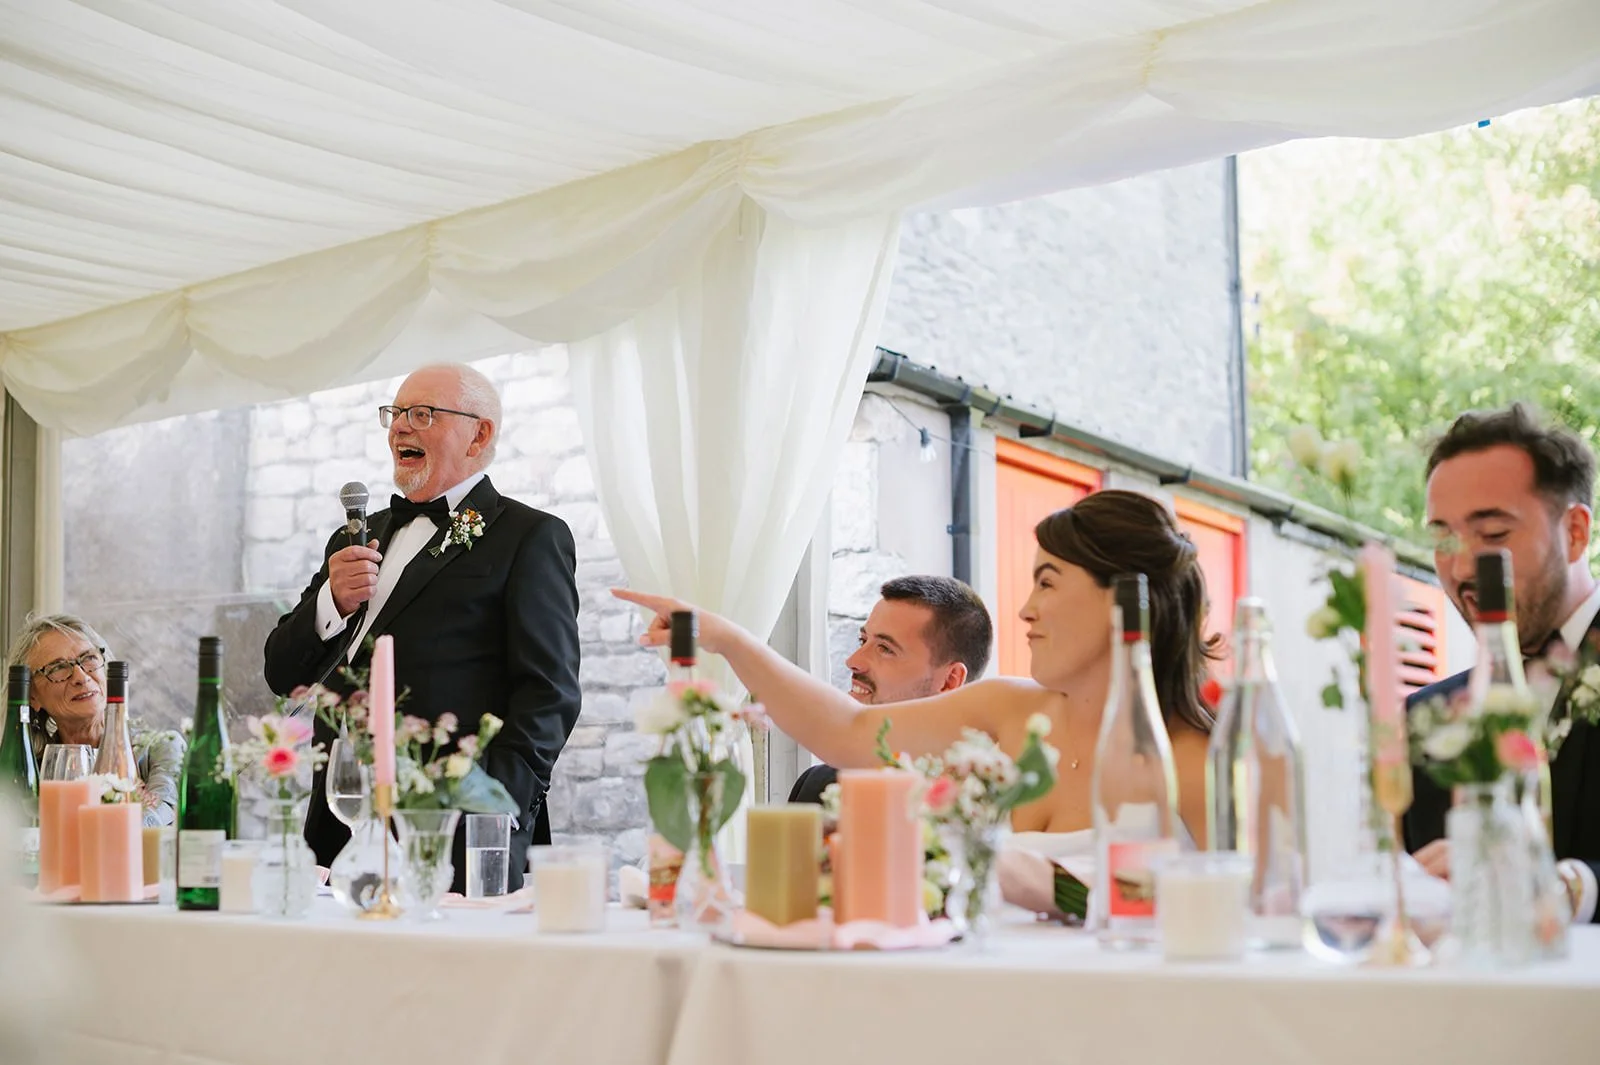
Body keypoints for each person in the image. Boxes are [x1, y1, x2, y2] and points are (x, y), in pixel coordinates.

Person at [617, 489, 1218, 915]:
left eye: (1048, 581)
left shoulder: (1198, 761)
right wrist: (727, 638)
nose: (1026, 608)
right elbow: (848, 729)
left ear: (1124, 600)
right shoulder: (1008, 710)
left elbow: (1245, 924)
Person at [263, 363, 581, 891]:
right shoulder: (359, 536)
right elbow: (281, 672)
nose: (399, 428)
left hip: (452, 824)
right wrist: (331, 602)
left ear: (479, 434)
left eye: (422, 414)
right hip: (338, 820)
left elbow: (549, 695)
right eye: (395, 413)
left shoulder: (529, 537)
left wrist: (493, 804)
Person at [1404, 403, 1600, 924]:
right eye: (1444, 538)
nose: (1464, 566)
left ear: (1576, 533)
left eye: (1493, 535)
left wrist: (1574, 888)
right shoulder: (1426, 717)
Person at [787, 575, 992, 805]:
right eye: (862, 640)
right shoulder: (815, 787)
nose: (853, 661)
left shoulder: (983, 808)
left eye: (885, 648)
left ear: (949, 681)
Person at [4, 613, 184, 827]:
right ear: (32, 695)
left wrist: (95, 832)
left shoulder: (161, 748)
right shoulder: (32, 768)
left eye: (88, 658)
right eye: (58, 668)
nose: (81, 677)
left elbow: (163, 812)